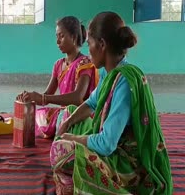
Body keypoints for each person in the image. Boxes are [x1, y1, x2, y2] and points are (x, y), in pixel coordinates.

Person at [50, 12, 173, 194]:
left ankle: (88, 181)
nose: (88, 49)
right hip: (112, 144)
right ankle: (72, 178)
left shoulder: (123, 81)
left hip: (127, 161)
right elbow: (91, 103)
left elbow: (107, 144)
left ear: (102, 45)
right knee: (67, 113)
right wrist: (67, 124)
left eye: (90, 43)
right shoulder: (110, 72)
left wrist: (72, 139)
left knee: (61, 152)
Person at [17, 16, 98, 139]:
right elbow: (46, 95)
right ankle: (61, 127)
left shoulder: (84, 63)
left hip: (79, 114)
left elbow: (77, 98)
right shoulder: (58, 65)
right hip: (63, 114)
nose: (57, 41)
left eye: (61, 36)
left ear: (74, 37)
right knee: (41, 114)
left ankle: (66, 127)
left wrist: (44, 98)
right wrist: (30, 97)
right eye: (57, 36)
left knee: (68, 112)